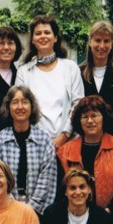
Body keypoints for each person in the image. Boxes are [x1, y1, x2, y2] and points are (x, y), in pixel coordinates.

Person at [16, 15, 84, 149]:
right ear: (33, 40)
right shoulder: (24, 72)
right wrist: (42, 141)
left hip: (69, 143)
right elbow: (21, 108)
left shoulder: (70, 68)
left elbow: (78, 105)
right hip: (36, 145)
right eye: (38, 33)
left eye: (47, 32)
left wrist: (63, 137)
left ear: (55, 38)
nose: (43, 36)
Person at [0, 85, 56, 215]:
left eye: (25, 102)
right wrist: (14, 210)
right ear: (8, 107)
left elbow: (47, 180)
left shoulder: (44, 139)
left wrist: (29, 212)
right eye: (15, 102)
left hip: (38, 213)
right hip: (6, 212)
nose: (20, 107)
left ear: (32, 107)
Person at [56, 95, 113, 212]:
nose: (89, 121)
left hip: (111, 220)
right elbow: (61, 191)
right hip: (75, 218)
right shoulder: (64, 151)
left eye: (94, 116)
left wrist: (109, 212)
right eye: (84, 117)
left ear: (104, 118)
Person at [81, 20, 113, 141]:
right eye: (98, 40)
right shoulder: (78, 74)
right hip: (86, 143)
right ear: (90, 42)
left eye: (106, 41)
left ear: (112, 43)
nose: (102, 46)